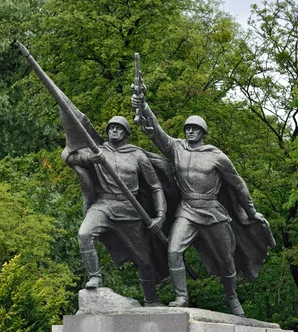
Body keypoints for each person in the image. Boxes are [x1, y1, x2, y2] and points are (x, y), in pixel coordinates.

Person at [131, 95, 274, 316]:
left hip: (213, 212)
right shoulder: (177, 148)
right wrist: (143, 106)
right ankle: (182, 297)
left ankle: (232, 297)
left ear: (203, 133)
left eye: (195, 129)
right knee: (174, 250)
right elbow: (156, 132)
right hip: (187, 210)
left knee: (227, 260)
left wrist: (251, 211)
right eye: (188, 128)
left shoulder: (216, 156)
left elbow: (238, 184)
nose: (190, 132)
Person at [65, 115, 168, 306]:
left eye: (118, 128)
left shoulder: (137, 155)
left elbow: (155, 186)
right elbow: (69, 157)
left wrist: (160, 216)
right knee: (84, 234)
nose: (114, 130)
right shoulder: (99, 150)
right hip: (104, 205)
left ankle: (151, 300)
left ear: (126, 133)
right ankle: (95, 276)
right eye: (111, 127)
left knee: (144, 261)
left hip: (130, 210)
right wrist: (90, 157)